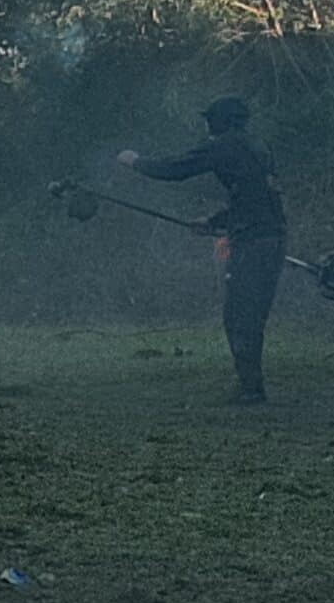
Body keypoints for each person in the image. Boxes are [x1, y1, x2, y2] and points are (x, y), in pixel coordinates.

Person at [119, 96, 288, 404]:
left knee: (239, 316)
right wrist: (215, 221)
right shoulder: (257, 147)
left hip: (253, 243)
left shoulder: (225, 144)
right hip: (271, 239)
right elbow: (254, 200)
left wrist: (135, 162)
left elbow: (176, 169)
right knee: (250, 316)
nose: (207, 126)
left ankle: (251, 391)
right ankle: (251, 386)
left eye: (210, 120)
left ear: (221, 122)